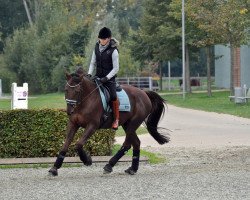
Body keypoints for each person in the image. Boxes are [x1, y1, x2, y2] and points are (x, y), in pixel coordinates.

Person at [88, 27, 119, 130]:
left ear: (109, 38)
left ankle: (116, 120)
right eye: (100, 39)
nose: (101, 41)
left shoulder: (113, 51)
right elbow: (93, 63)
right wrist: (89, 74)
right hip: (97, 77)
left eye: (104, 39)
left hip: (109, 79)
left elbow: (116, 68)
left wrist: (107, 78)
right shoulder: (96, 47)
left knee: (113, 96)